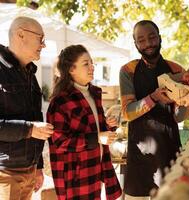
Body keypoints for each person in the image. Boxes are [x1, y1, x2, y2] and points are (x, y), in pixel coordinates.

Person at [119, 20, 189, 199]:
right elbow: (127, 112)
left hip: (169, 149)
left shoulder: (176, 70)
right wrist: (153, 98)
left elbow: (179, 117)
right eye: (141, 40)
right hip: (139, 152)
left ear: (160, 38)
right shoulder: (127, 71)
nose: (148, 44)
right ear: (135, 43)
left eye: (152, 37)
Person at [47, 44, 122, 200]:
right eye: (86, 63)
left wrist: (108, 125)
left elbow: (93, 129)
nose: (92, 67)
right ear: (71, 69)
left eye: (91, 63)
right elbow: (60, 141)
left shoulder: (94, 93)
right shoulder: (61, 101)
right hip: (74, 175)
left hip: (96, 166)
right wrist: (97, 137)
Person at [0, 16, 54, 199]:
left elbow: (36, 120)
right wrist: (30, 129)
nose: (44, 45)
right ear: (21, 34)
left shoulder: (29, 73)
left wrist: (38, 166)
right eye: (41, 38)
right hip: (4, 175)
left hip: (29, 172)